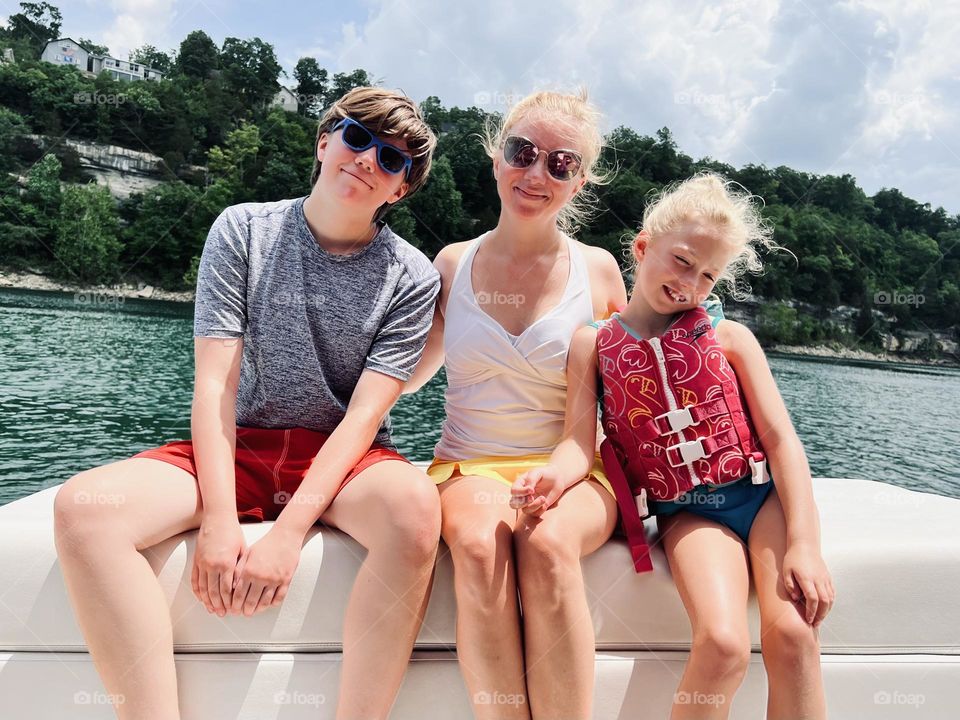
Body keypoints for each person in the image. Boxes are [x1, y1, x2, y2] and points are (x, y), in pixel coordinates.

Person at [54, 87, 442, 720]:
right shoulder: (242, 229)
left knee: (414, 511)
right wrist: (218, 522)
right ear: (325, 141)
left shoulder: (412, 276)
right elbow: (215, 387)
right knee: (83, 511)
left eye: (392, 159)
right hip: (242, 445)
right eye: (356, 138)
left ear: (399, 189)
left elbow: (364, 417)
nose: (368, 160)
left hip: (343, 461)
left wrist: (287, 536)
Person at [513, 172, 835, 719]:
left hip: (761, 502)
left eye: (708, 275)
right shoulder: (593, 344)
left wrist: (804, 544)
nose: (690, 283)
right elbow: (576, 441)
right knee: (724, 645)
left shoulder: (731, 339)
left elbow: (782, 442)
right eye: (682, 261)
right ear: (642, 247)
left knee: (796, 640)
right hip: (689, 513)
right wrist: (554, 477)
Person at [405, 90, 627, 720]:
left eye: (560, 164)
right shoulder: (452, 264)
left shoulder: (601, 272)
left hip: (576, 465)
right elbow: (408, 372)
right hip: (469, 464)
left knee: (548, 545)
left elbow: (640, 383)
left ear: (579, 181)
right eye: (522, 152)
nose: (537, 174)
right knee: (479, 547)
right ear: (496, 157)